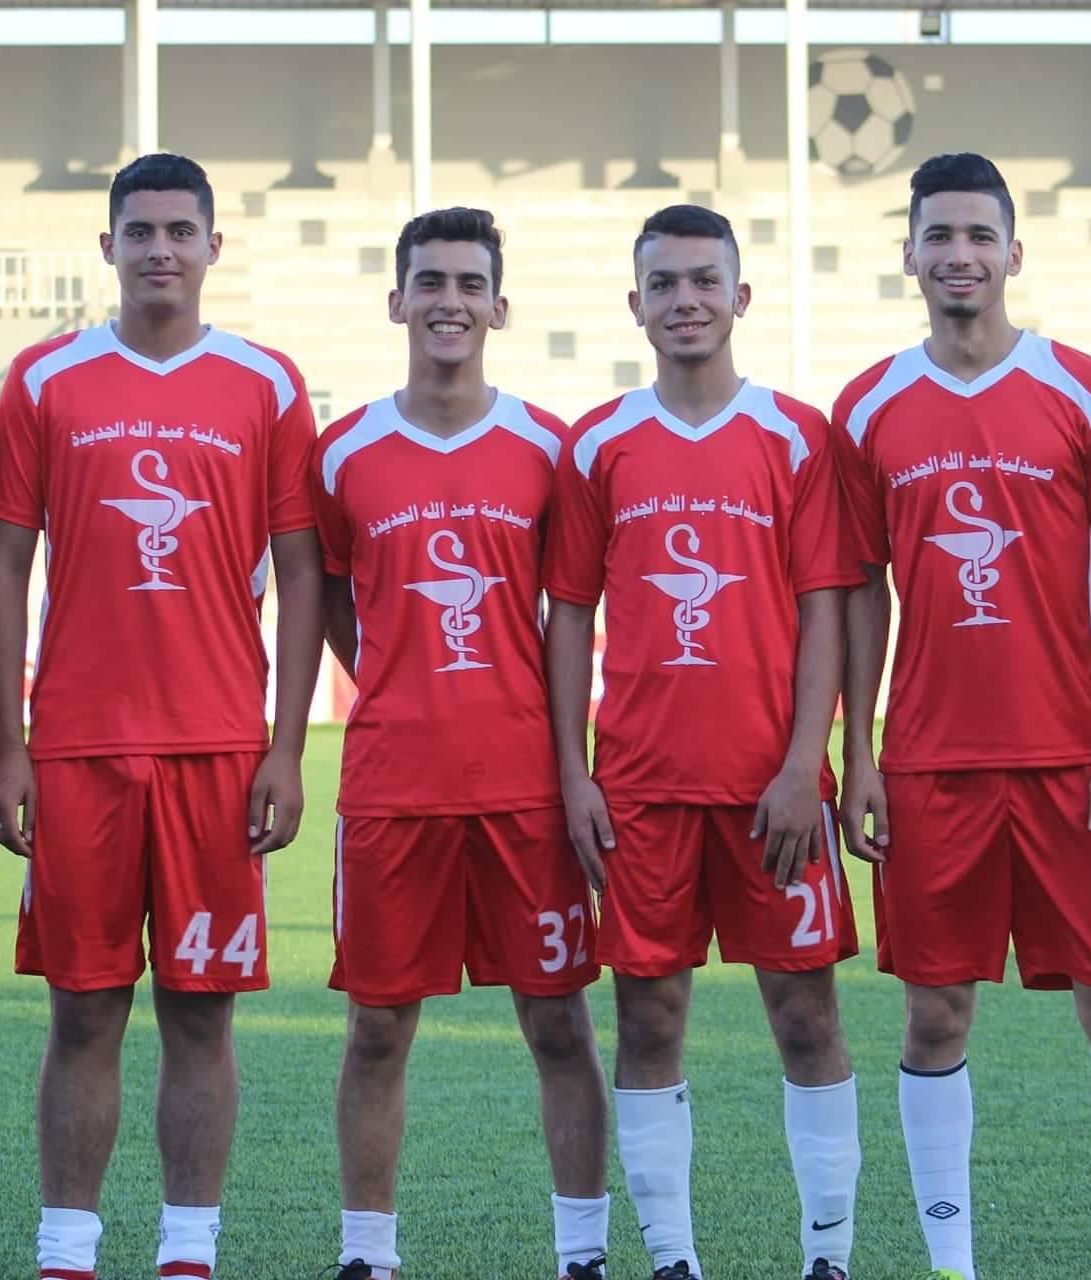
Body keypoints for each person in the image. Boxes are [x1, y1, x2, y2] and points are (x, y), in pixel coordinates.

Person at [0, 152, 325, 1280]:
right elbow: (2, 567)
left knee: (201, 1012)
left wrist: (284, 742)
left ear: (215, 245)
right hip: (77, 748)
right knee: (82, 1011)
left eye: (182, 229)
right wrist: (8, 746)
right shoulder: (44, 379)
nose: (161, 249)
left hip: (219, 750)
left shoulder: (266, 383)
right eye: (141, 230)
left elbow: (302, 568)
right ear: (109, 246)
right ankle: (67, 1249)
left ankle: (189, 1248)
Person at [833, 152, 1091, 1280]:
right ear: (912, 254)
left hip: (1073, 758)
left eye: (980, 235)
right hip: (930, 765)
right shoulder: (868, 405)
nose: (959, 254)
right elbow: (857, 592)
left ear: (1013, 253)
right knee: (934, 1022)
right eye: (940, 236)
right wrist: (861, 750)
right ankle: (952, 1265)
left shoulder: (1085, 388)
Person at [544, 204, 863, 1280]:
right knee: (650, 1012)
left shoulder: (796, 434)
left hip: (772, 789)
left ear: (741, 296)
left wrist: (796, 764)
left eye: (704, 281)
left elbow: (826, 604)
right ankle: (673, 1258)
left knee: (808, 1013)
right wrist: (574, 772)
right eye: (665, 283)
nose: (686, 300)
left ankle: (829, 1254)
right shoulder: (597, 443)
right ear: (636, 305)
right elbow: (571, 614)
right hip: (639, 786)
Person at [312, 206, 610, 1280]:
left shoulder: (550, 448)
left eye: (469, 282)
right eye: (429, 280)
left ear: (499, 304)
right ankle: (368, 1253)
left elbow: (569, 610)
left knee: (559, 1023)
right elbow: (337, 601)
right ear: (397, 300)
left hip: (522, 785)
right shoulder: (343, 449)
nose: (449, 299)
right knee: (379, 1029)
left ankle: (582, 1250)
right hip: (393, 785)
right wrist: (392, 665)